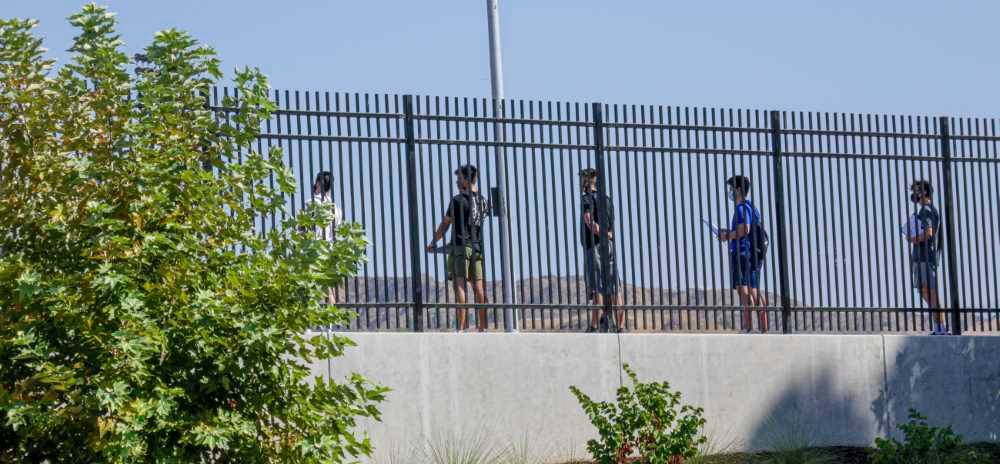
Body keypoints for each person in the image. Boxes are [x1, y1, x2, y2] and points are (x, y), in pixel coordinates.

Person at [427, 165, 489, 332]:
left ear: (468, 179)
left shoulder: (457, 200)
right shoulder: (483, 201)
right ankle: (483, 328)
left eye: (459, 178)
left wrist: (433, 241)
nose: (456, 181)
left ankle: (460, 328)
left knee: (459, 285)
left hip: (461, 247)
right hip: (477, 248)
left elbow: (445, 225)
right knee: (478, 288)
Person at [718, 175, 768, 333]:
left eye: (732, 188)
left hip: (742, 252)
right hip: (754, 254)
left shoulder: (741, 209)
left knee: (742, 288)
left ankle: (748, 327)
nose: (731, 192)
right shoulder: (753, 208)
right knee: (754, 288)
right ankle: (764, 327)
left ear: (739, 190)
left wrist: (727, 236)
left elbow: (744, 229)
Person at [579, 168, 624, 333]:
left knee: (596, 285)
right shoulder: (607, 199)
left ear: (586, 180)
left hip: (595, 246)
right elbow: (611, 226)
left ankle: (594, 325)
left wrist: (601, 234)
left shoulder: (586, 199)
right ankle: (620, 327)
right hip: (610, 246)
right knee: (614, 286)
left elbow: (588, 220)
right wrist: (608, 235)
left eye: (582, 178)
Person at [905, 180, 945, 335]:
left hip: (925, 258)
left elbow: (929, 232)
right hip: (921, 258)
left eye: (916, 191)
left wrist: (913, 238)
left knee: (931, 291)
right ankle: (939, 327)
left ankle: (941, 328)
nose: (913, 195)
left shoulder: (926, 211)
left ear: (923, 193)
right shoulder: (925, 210)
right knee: (925, 290)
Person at [309, 171, 343, 306]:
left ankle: (308, 325)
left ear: (317, 183)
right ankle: (329, 324)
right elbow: (336, 232)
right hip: (329, 250)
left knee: (309, 287)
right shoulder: (336, 209)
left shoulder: (310, 203)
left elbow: (302, 228)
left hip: (313, 249)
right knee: (327, 287)